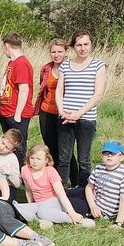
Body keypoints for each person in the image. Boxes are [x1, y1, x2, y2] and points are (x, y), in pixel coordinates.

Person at [56, 30, 107, 187]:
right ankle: (61, 191)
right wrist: (61, 111)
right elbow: (59, 90)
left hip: (86, 118)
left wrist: (79, 113)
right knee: (64, 157)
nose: (83, 48)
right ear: (74, 46)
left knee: (84, 158)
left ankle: (84, 193)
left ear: (91, 45)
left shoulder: (98, 65)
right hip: (66, 117)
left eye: (86, 44)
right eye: (79, 45)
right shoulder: (65, 65)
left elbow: (98, 94)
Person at [15, 145, 94, 230]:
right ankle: (41, 220)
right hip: (38, 203)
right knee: (14, 207)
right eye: (32, 158)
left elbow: (61, 194)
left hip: (53, 201)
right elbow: (28, 191)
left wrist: (72, 213)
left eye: (38, 159)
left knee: (42, 212)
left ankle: (75, 220)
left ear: (46, 160)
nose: (34, 162)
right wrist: (30, 205)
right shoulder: (25, 170)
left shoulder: (50, 171)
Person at [34, 38, 78, 186]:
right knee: (51, 147)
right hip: (46, 112)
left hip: (64, 113)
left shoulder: (72, 68)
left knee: (66, 151)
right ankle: (55, 181)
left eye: (60, 51)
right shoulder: (46, 69)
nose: (56, 54)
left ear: (66, 52)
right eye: (53, 52)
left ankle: (75, 180)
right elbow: (43, 88)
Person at [67, 140, 124, 228]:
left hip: (102, 210)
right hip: (93, 199)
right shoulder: (99, 167)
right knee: (63, 193)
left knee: (66, 202)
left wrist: (118, 223)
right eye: (105, 153)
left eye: (113, 153)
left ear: (121, 157)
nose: (109, 155)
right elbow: (89, 188)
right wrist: (93, 205)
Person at [0, 32, 34, 166]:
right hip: (6, 110)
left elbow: (24, 89)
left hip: (16, 113)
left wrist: (17, 115)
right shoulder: (12, 63)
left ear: (7, 46)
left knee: (17, 146)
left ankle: (19, 173)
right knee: (7, 145)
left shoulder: (21, 63)